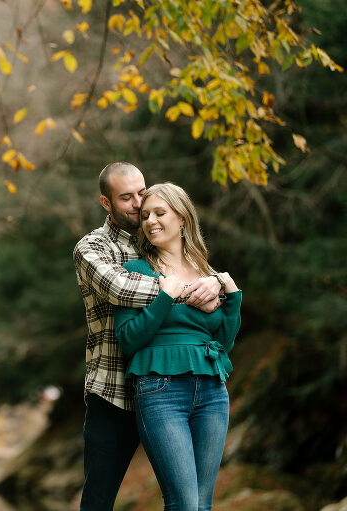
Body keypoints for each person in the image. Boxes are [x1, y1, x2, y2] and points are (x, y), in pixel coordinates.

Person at [73, 162, 223, 511]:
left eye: (142, 192)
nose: (139, 203)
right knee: (99, 499)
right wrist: (190, 289)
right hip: (114, 392)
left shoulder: (157, 236)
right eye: (126, 198)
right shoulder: (93, 247)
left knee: (188, 500)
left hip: (170, 384)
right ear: (106, 203)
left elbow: (198, 274)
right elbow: (120, 288)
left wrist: (215, 282)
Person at [114, 183, 241, 511]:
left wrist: (232, 292)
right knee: (183, 502)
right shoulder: (136, 273)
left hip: (213, 391)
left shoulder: (207, 275)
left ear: (182, 218)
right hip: (160, 391)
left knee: (202, 504)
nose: (150, 221)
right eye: (145, 216)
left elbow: (223, 343)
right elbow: (128, 339)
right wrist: (165, 296)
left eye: (160, 213)